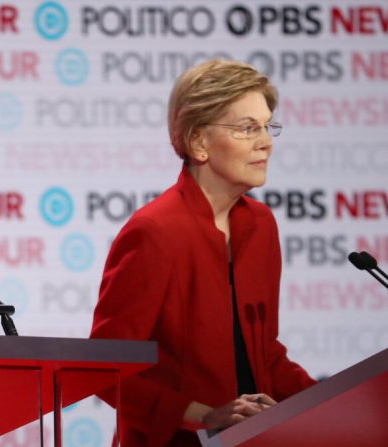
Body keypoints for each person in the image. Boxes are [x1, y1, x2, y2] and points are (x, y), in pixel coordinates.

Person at [89, 59, 317, 446]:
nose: (266, 141)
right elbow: (106, 371)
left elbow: (264, 354)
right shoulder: (155, 232)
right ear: (198, 142)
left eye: (267, 126)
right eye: (247, 128)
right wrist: (204, 416)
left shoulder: (260, 225)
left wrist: (331, 401)